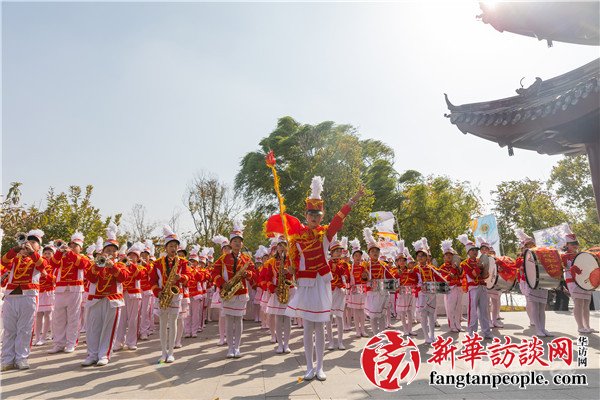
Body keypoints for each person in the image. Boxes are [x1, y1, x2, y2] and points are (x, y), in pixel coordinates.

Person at [266, 176, 364, 381]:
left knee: (319, 325)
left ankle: (320, 367)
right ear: (306, 215)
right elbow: (294, 263)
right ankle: (309, 367)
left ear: (321, 216)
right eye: (311, 214)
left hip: (321, 283)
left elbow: (338, 220)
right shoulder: (296, 238)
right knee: (308, 326)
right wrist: (290, 267)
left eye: (317, 215)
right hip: (305, 284)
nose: (314, 218)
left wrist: (353, 200)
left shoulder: (325, 235)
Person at [1, 229, 49, 370]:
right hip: (11, 296)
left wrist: (32, 253)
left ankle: (21, 358)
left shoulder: (38, 259)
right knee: (10, 330)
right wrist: (15, 249)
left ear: (38, 247)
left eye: (33, 242)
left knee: (25, 329)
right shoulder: (15, 259)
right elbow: (3, 261)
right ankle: (7, 359)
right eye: (28, 240)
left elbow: (43, 266)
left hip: (28, 296)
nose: (29, 243)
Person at [82, 224, 129, 367]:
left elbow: (123, 278)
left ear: (116, 254)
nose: (110, 253)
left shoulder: (120, 265)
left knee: (109, 329)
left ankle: (104, 354)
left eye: (113, 251)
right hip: (96, 299)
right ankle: (92, 354)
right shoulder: (95, 264)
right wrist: (98, 266)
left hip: (112, 300)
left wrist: (112, 267)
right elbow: (90, 277)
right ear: (103, 252)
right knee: (93, 328)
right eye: (108, 250)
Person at [212, 220, 255, 358]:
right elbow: (214, 273)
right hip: (228, 292)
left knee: (239, 320)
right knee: (229, 320)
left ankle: (237, 347)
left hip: (241, 293)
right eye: (234, 241)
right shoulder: (223, 259)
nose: (237, 243)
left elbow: (254, 274)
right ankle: (230, 348)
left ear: (242, 243)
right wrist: (222, 283)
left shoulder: (246, 259)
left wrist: (246, 274)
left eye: (239, 241)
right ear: (230, 243)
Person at [150, 226, 191, 363]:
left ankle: (171, 352)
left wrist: (180, 277)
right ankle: (163, 352)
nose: (173, 248)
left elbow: (188, 278)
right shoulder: (157, 263)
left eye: (175, 246)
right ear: (166, 248)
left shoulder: (183, 262)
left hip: (175, 295)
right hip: (162, 295)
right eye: (171, 246)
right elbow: (153, 281)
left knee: (173, 323)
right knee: (162, 324)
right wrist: (158, 292)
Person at [48, 231, 90, 354]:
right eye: (70, 245)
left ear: (80, 247)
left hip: (75, 290)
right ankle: (58, 343)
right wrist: (59, 251)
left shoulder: (83, 257)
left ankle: (71, 343)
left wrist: (70, 253)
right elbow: (53, 264)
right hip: (61, 289)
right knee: (58, 318)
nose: (71, 247)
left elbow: (82, 265)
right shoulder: (62, 256)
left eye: (74, 245)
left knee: (73, 317)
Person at [561, 226, 596, 333]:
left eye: (576, 243)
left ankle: (587, 326)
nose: (575, 245)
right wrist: (570, 269)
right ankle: (580, 327)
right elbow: (561, 268)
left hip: (584, 281)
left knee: (586, 303)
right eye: (572, 244)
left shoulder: (582, 255)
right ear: (567, 245)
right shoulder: (563, 256)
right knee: (578, 302)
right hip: (572, 281)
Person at [457, 234, 492, 340]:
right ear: (468, 252)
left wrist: (485, 270)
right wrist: (479, 267)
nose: (475, 252)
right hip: (473, 289)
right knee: (472, 311)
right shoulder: (464, 264)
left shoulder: (480, 260)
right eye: (472, 250)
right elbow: (473, 275)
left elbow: (486, 275)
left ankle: (486, 332)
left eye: (476, 250)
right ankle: (471, 333)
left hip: (482, 287)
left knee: (484, 311)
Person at [264, 237, 295, 353]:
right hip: (277, 291)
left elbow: (296, 273)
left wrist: (290, 271)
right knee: (278, 318)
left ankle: (286, 344)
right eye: (280, 245)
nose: (282, 247)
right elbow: (267, 278)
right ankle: (279, 344)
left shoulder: (291, 260)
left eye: (284, 245)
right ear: (276, 247)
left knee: (287, 318)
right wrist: (273, 288)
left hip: (288, 290)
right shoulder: (271, 261)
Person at [114, 242, 145, 351]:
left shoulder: (139, 267)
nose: (131, 258)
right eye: (130, 255)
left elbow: (140, 275)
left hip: (134, 295)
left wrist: (131, 264)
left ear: (138, 258)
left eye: (134, 256)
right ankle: (119, 342)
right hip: (123, 294)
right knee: (121, 320)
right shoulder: (123, 265)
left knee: (133, 320)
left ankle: (131, 342)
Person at [326, 236, 350, 350]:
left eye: (340, 251)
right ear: (332, 252)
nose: (339, 253)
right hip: (329, 292)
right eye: (337, 251)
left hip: (340, 291)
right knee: (329, 317)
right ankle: (330, 342)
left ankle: (340, 342)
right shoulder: (327, 263)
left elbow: (347, 277)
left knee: (340, 317)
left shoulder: (344, 264)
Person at [413, 237, 438, 343]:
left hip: (432, 294)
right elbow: (412, 283)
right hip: (422, 294)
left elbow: (440, 276)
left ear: (427, 257)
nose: (421, 257)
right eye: (419, 256)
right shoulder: (415, 269)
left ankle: (432, 334)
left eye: (423, 255)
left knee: (431, 315)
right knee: (423, 316)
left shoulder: (432, 268)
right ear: (417, 258)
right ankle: (426, 336)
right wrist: (419, 287)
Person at [34, 242, 57, 346]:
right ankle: (37, 337)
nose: (47, 255)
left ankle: (44, 337)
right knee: (38, 315)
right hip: (39, 291)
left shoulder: (54, 266)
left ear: (53, 254)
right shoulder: (38, 265)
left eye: (49, 253)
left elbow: (55, 279)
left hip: (49, 292)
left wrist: (46, 275)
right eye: (45, 253)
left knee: (48, 314)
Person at [439, 239, 463, 333]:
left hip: (458, 287)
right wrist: (452, 272)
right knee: (450, 308)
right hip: (450, 289)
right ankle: (452, 325)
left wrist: (458, 269)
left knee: (458, 307)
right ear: (444, 256)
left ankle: (458, 324)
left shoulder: (456, 265)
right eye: (447, 255)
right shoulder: (442, 267)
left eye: (450, 255)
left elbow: (461, 275)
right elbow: (444, 279)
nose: (449, 256)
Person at [211, 235, 231, 346]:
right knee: (222, 316)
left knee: (231, 316)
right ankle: (222, 337)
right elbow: (214, 274)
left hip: (234, 291)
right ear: (222, 250)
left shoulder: (235, 260)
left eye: (229, 248)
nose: (227, 250)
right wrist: (222, 284)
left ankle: (229, 337)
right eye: (225, 248)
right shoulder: (219, 261)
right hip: (222, 290)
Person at [395, 242, 418, 336]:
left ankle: (410, 329)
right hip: (401, 294)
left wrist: (412, 274)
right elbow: (395, 284)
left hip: (410, 293)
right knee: (402, 312)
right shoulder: (396, 272)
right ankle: (405, 329)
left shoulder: (410, 271)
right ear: (397, 262)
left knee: (409, 311)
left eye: (403, 260)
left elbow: (415, 281)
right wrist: (398, 275)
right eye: (399, 260)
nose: (402, 262)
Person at [347, 238, 368, 337]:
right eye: (356, 255)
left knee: (362, 311)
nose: (358, 257)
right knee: (355, 311)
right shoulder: (350, 267)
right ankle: (357, 330)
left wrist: (366, 277)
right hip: (354, 290)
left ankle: (363, 330)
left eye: (359, 255)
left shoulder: (364, 266)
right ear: (353, 257)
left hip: (363, 290)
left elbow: (367, 278)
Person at [139, 239, 155, 341]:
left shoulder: (152, 265)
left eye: (146, 255)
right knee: (137, 313)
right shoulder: (137, 265)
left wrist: (146, 265)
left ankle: (144, 331)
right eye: (142, 254)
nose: (144, 257)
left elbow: (153, 274)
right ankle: (138, 331)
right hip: (137, 291)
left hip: (147, 291)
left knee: (146, 312)